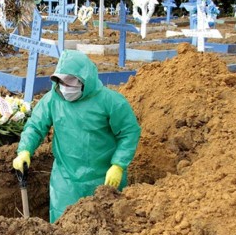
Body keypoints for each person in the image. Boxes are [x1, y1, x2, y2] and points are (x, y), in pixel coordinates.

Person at [12, 50, 141, 223]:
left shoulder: (110, 101)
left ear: (84, 79)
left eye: (71, 81)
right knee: (63, 225)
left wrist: (118, 164)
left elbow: (129, 132)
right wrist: (24, 150)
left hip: (103, 178)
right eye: (61, 81)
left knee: (105, 227)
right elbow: (35, 126)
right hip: (66, 179)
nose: (66, 87)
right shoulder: (52, 100)